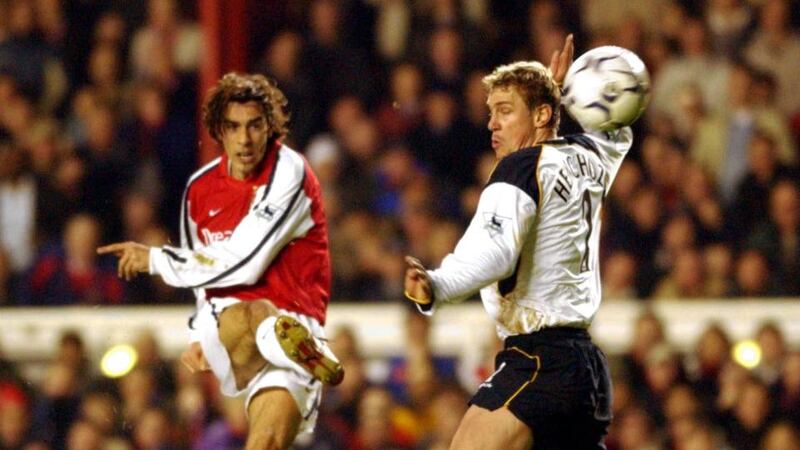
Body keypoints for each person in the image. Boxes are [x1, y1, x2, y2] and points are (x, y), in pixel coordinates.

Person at [404, 34, 628, 449]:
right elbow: (616, 132)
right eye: (491, 112)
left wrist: (438, 285)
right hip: (587, 371)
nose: (492, 123)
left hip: (538, 363)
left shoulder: (519, 168)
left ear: (541, 115)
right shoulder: (594, 158)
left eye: (505, 111)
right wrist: (565, 96)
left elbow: (495, 251)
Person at [97, 73, 343, 450]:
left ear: (270, 127)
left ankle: (294, 347)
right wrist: (197, 333)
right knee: (254, 311)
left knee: (267, 442)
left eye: (255, 126)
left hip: (294, 326)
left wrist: (155, 259)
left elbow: (246, 260)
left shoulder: (290, 172)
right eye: (234, 127)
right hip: (232, 327)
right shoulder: (199, 188)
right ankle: (300, 347)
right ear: (218, 130)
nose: (245, 140)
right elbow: (204, 275)